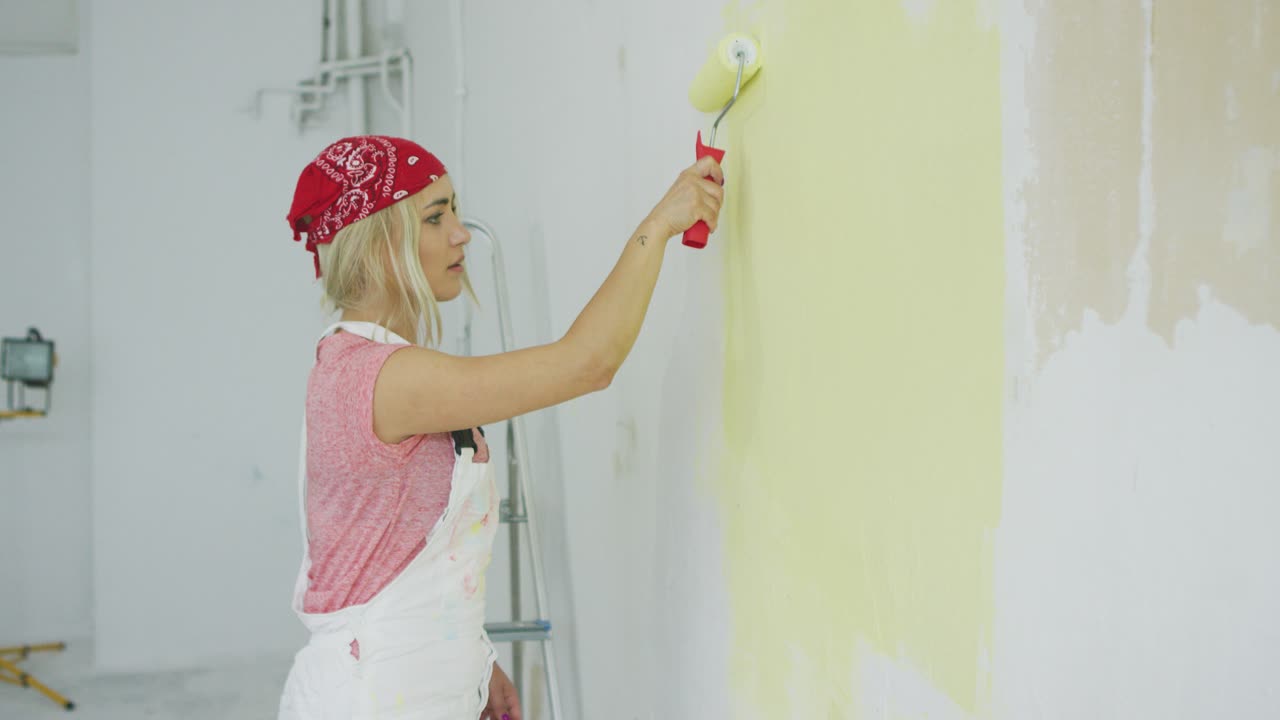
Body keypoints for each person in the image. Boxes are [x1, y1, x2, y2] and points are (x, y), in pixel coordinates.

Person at [277, 135, 724, 720]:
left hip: (406, 685)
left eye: (454, 211)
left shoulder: (367, 366)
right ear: (379, 243)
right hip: (374, 698)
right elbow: (587, 363)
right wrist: (660, 224)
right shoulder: (383, 377)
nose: (461, 233)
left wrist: (473, 661)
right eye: (435, 218)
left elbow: (392, 550)